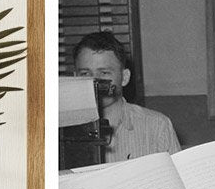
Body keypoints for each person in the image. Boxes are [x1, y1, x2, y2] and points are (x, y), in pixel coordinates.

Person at [73, 31, 181, 161]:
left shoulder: (157, 126)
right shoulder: (59, 129)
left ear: (124, 77)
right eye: (85, 74)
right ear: (74, 78)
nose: (94, 82)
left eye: (104, 73)